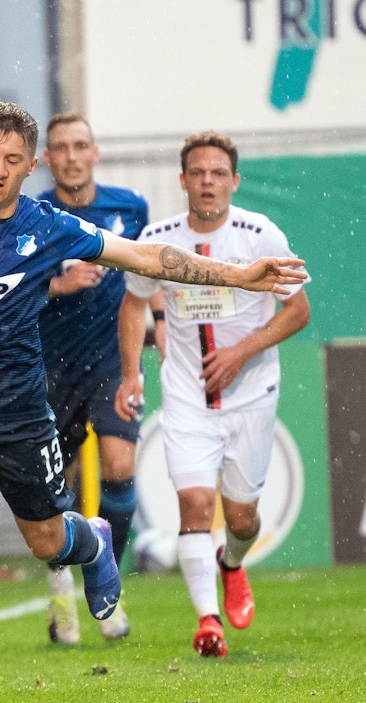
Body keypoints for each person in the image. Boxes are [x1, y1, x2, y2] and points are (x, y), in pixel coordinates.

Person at [0, 101, 307, 703]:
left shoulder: (48, 226)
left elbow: (146, 260)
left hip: (18, 412)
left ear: (32, 165)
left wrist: (237, 274)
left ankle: (92, 543)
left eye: (13, 160)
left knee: (47, 542)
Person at [115, 130, 311, 658]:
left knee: (241, 518)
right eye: (198, 173)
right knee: (195, 504)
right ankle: (207, 622)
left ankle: (232, 563)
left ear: (234, 181)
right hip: (186, 395)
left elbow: (299, 310)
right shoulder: (157, 237)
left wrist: (241, 351)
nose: (207, 182)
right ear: (182, 180)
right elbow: (134, 305)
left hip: (251, 393)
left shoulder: (260, 234)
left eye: (218, 174)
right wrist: (132, 372)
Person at [36, 113, 149, 642]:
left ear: (95, 152)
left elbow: (146, 279)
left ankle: (108, 584)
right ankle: (60, 595)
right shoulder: (33, 215)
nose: (72, 156)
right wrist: (59, 283)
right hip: (46, 369)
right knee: (53, 490)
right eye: (61, 148)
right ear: (47, 159)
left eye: (80, 145)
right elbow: (6, 289)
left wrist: (161, 328)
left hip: (109, 365)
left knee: (119, 465)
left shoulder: (129, 208)